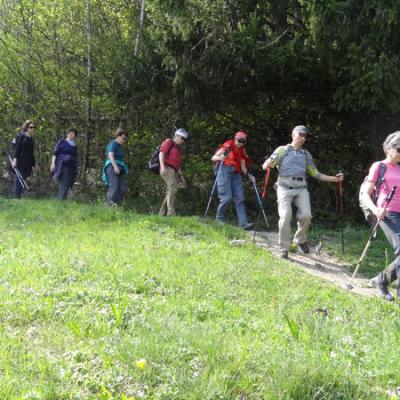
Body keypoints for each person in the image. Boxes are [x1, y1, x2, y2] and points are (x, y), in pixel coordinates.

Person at [263, 125, 344, 259]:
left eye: (305, 136)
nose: (303, 138)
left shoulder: (305, 154)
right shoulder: (282, 150)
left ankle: (300, 240)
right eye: (300, 135)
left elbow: (315, 173)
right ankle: (284, 248)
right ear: (293, 135)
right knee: (285, 216)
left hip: (301, 188)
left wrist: (335, 179)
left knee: (307, 215)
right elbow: (267, 165)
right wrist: (267, 163)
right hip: (284, 188)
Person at [363, 131, 400, 301]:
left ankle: (381, 280)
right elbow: (366, 193)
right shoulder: (379, 166)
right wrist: (376, 209)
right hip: (387, 213)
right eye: (399, 149)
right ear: (388, 148)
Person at [211, 131, 255, 230]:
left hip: (236, 174)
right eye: (240, 141)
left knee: (240, 198)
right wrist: (221, 157)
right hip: (224, 172)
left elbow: (243, 168)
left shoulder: (242, 150)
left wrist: (249, 176)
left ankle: (243, 224)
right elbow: (213, 158)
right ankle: (219, 220)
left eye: (243, 142)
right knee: (226, 198)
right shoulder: (229, 145)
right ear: (235, 139)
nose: (241, 143)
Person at [159, 128, 188, 216]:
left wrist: (181, 177)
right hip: (166, 168)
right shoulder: (169, 142)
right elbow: (161, 153)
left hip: (174, 171)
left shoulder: (177, 148)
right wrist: (162, 166)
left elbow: (177, 165)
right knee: (173, 188)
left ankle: (162, 213)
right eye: (182, 138)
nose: (183, 141)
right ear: (177, 136)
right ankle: (171, 213)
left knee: (170, 190)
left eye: (185, 139)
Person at [102, 128, 129, 206]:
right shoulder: (113, 143)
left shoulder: (119, 146)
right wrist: (115, 167)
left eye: (125, 139)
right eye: (123, 138)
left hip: (119, 168)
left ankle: (113, 204)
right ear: (118, 136)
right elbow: (110, 155)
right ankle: (109, 206)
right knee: (114, 187)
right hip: (112, 167)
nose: (124, 141)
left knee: (122, 189)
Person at [50, 128, 78, 200]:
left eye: (73, 133)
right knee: (64, 183)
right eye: (70, 133)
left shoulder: (74, 146)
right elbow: (55, 153)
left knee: (68, 184)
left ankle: (61, 199)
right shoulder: (62, 142)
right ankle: (60, 200)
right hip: (62, 165)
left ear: (75, 136)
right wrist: (53, 164)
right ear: (67, 134)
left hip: (71, 167)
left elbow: (75, 157)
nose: (71, 134)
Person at [11, 120, 37, 198]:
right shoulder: (20, 136)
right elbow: (17, 148)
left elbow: (31, 152)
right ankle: (16, 196)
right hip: (20, 160)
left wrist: (34, 164)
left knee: (24, 177)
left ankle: (17, 195)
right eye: (31, 127)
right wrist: (15, 159)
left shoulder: (31, 138)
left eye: (34, 127)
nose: (33, 129)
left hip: (28, 162)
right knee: (19, 177)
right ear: (26, 127)